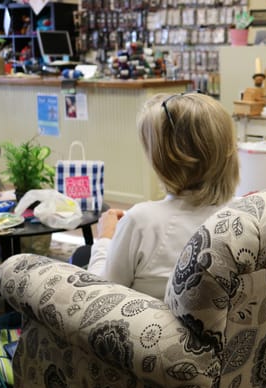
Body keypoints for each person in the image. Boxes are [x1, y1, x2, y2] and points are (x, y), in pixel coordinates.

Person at [86, 92, 239, 299]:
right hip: (224, 328)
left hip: (145, 329)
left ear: (165, 159)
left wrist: (105, 238)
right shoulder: (243, 215)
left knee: (82, 256)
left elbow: (101, 295)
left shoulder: (142, 222)